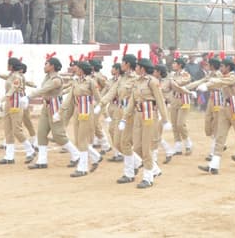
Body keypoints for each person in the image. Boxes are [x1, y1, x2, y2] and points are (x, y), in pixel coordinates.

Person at [197, 57, 235, 175]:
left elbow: (221, 82)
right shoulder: (225, 76)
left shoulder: (233, 76)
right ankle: (214, 165)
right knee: (220, 137)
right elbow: (218, 81)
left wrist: (207, 85)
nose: (221, 68)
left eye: (223, 66)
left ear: (228, 67)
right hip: (224, 107)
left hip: (234, 107)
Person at [118, 57, 170, 188]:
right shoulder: (136, 82)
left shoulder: (152, 82)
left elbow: (160, 100)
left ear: (142, 68)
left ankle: (148, 178)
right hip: (138, 115)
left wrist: (165, 119)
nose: (135, 68)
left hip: (149, 115)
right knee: (137, 147)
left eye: (137, 66)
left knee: (146, 148)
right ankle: (154, 169)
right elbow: (132, 101)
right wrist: (124, 118)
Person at [95, 51, 141, 184]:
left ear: (128, 64)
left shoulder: (136, 79)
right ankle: (138, 162)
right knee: (116, 143)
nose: (121, 65)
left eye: (122, 62)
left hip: (129, 113)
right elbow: (111, 92)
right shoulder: (122, 78)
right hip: (119, 111)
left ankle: (129, 173)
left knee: (125, 143)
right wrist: (101, 104)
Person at [28, 55, 80, 170]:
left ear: (52, 66)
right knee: (41, 133)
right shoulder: (48, 77)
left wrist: (28, 97)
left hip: (55, 107)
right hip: (46, 106)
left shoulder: (56, 80)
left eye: (46, 64)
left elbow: (43, 90)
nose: (44, 66)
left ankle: (76, 155)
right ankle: (42, 160)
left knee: (58, 135)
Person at [0, 56, 36, 165]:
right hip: (9, 103)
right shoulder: (11, 75)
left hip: (16, 104)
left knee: (17, 130)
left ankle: (30, 150)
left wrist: (1, 100)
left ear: (12, 66)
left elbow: (12, 89)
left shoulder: (18, 77)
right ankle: (9, 156)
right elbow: (6, 80)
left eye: (8, 64)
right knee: (8, 130)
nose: (7, 66)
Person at [67, 61, 102, 177]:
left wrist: (104, 113)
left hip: (87, 111)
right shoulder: (75, 81)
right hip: (78, 111)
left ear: (81, 70)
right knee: (78, 140)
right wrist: (61, 111)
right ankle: (96, 157)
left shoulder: (91, 82)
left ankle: (82, 168)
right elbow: (69, 97)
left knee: (82, 139)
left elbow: (99, 98)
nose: (75, 69)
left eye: (77, 68)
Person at [168, 54, 193, 156]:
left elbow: (181, 83)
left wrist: (172, 81)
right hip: (174, 100)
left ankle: (188, 144)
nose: (173, 65)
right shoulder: (172, 75)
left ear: (180, 65)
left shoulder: (185, 74)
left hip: (183, 100)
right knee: (174, 124)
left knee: (180, 124)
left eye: (175, 63)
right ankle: (178, 146)